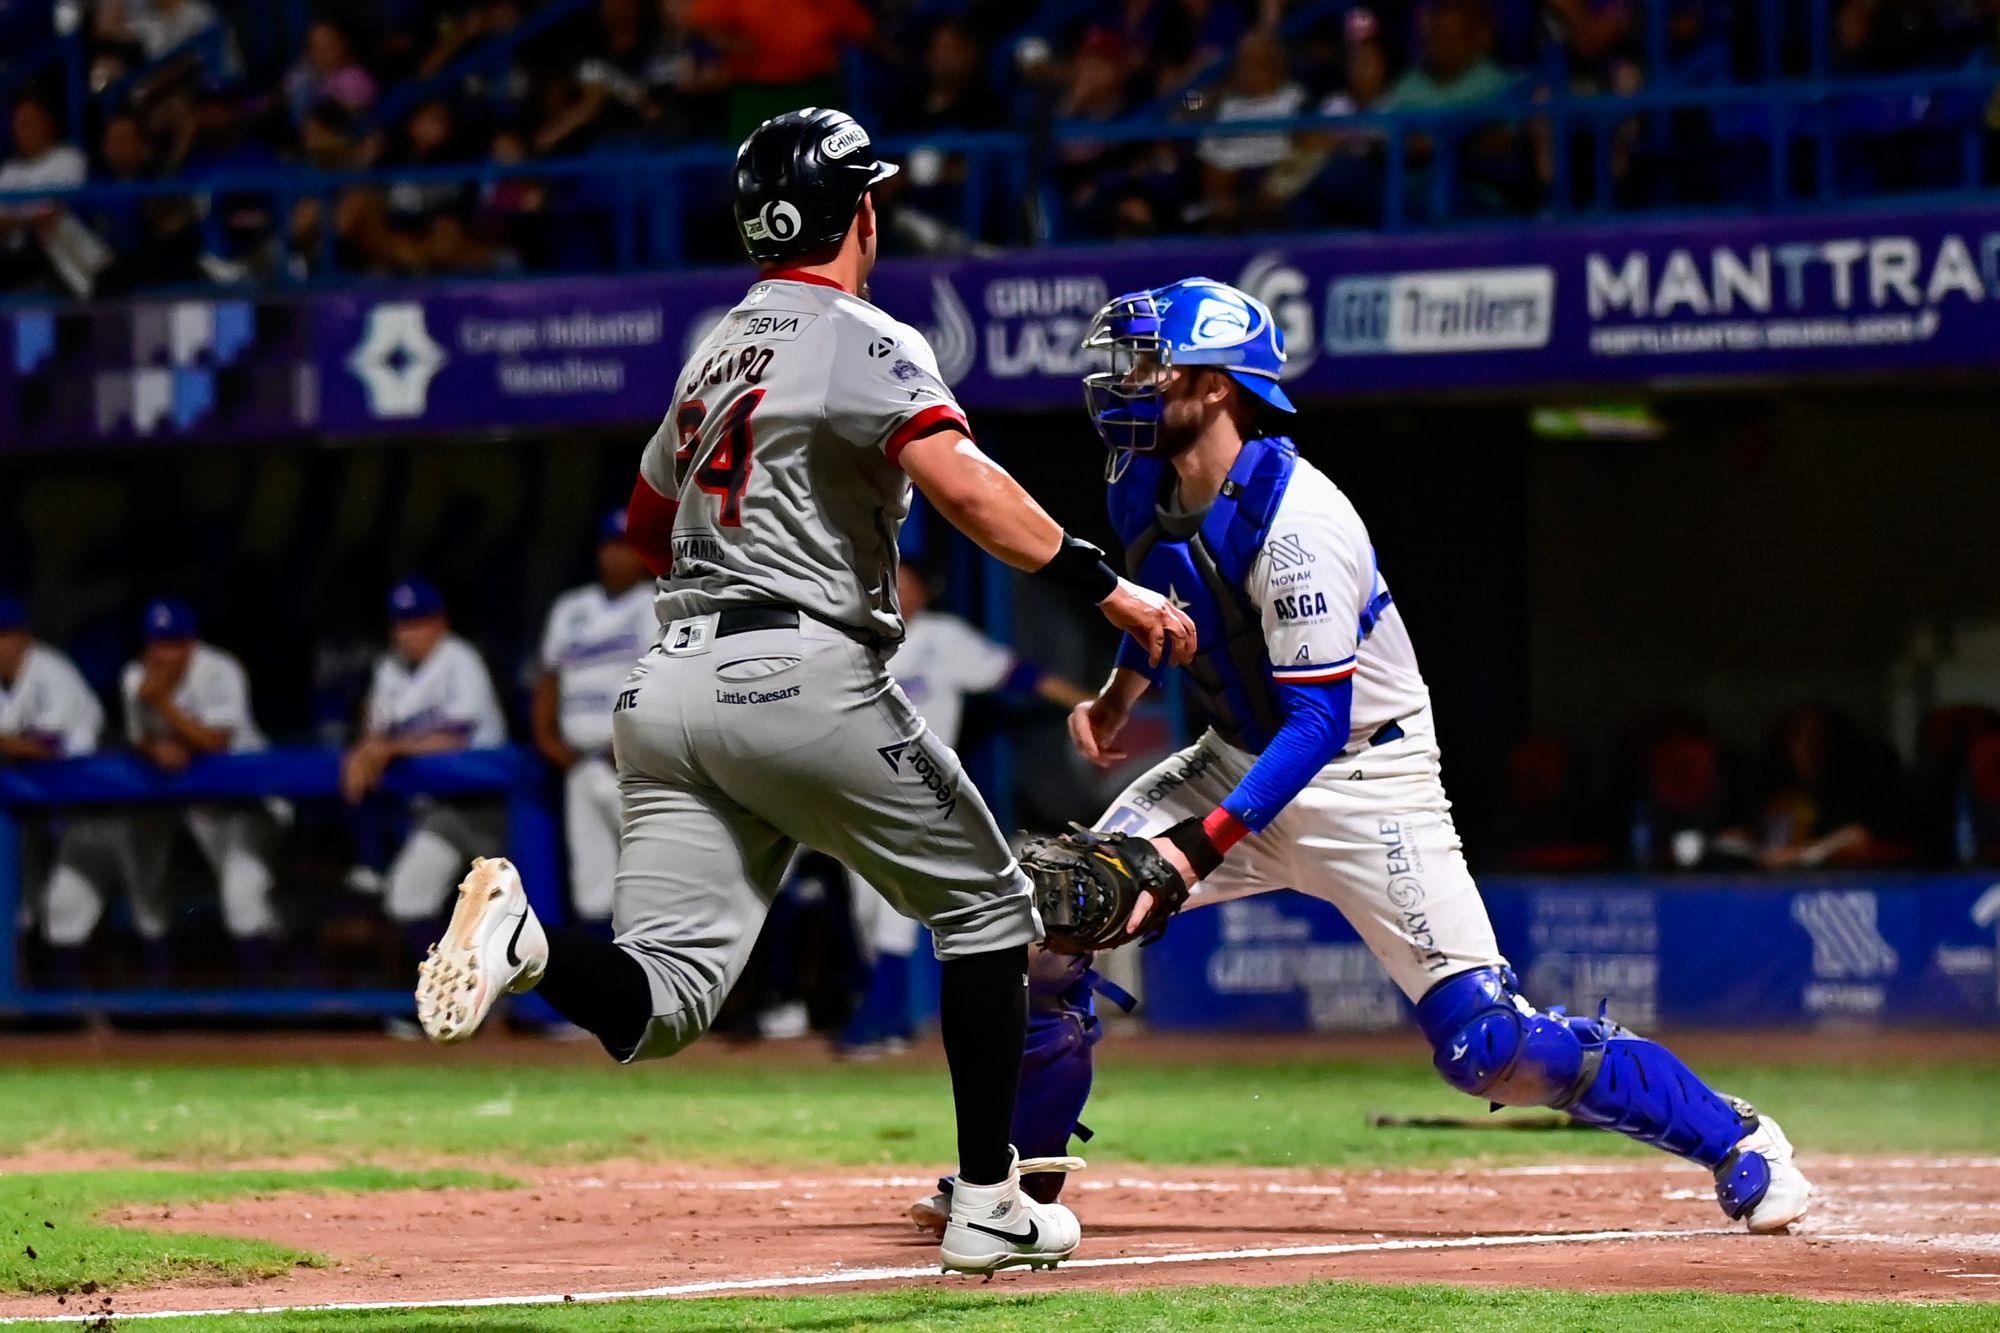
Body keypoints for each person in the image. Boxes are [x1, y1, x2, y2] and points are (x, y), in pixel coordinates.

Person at [411, 108, 1194, 1276]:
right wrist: (1106, 587)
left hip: (665, 688)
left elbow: (641, 523)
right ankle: (989, 1202)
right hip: (795, 668)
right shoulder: (860, 334)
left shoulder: (710, 351)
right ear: (860, 212)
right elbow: (968, 488)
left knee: (661, 1002)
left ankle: (527, 946)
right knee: (987, 909)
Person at [905, 276, 1812, 1239]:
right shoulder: (1142, 479)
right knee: (1052, 929)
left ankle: (1736, 1137)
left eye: (1146, 362)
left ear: (1215, 385)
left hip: (1362, 778)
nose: (1122, 381)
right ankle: (1012, 1190)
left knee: (1487, 1045)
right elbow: (1175, 591)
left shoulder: (1303, 525)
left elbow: (1316, 724)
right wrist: (1122, 690)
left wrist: (1186, 853)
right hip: (1236, 756)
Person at [832, 556, 1094, 1054]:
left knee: (894, 911)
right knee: (866, 911)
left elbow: (1020, 674)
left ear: (925, 593)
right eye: (889, 581)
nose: (899, 590)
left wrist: (1094, 704)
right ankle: (893, 1022)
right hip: (856, 791)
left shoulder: (942, 638)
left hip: (920, 790)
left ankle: (875, 1019)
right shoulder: (851, 642)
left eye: (908, 582)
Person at [43, 599, 283, 979]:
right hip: (187, 804)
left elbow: (217, 742)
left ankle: (272, 1012)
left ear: (190, 645)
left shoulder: (218, 670)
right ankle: (158, 993)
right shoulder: (134, 676)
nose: (162, 654)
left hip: (249, 801)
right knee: (144, 880)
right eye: (156, 643)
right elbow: (142, 740)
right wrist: (155, 748)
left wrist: (161, 703)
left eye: (172, 644)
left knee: (243, 898)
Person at [343, 579, 507, 961]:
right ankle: (444, 996)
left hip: (494, 810)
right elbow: (376, 732)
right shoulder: (389, 667)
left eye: (419, 621)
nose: (410, 632)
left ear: (440, 623)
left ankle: (517, 1010)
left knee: (508, 910)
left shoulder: (459, 659)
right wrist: (363, 750)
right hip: (441, 811)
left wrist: (388, 747)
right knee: (407, 900)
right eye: (402, 623)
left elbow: (458, 737)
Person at [533, 509, 660, 926]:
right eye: (610, 545)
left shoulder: (658, 602)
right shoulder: (571, 608)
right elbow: (549, 678)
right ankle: (606, 983)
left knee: (656, 874)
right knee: (593, 889)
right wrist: (548, 740)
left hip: (636, 762)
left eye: (626, 546)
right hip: (580, 762)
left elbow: (668, 679)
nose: (617, 556)